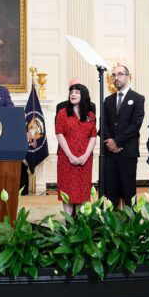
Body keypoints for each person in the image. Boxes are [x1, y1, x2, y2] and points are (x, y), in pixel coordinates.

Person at [101, 65, 145, 207]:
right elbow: (103, 124)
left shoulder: (138, 98)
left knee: (128, 191)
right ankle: (111, 226)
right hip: (110, 153)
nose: (116, 78)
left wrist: (117, 142)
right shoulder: (108, 100)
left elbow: (135, 125)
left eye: (120, 74)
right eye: (113, 75)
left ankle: (130, 226)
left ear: (128, 76)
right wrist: (110, 143)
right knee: (110, 191)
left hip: (127, 152)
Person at [56, 84, 97, 215]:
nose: (73, 94)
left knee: (82, 190)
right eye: (71, 92)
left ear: (83, 95)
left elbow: (93, 136)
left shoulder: (90, 115)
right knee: (67, 190)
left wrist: (86, 155)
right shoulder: (62, 113)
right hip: (66, 158)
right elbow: (59, 134)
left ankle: (80, 223)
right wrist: (70, 155)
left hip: (85, 159)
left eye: (77, 92)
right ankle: (69, 224)